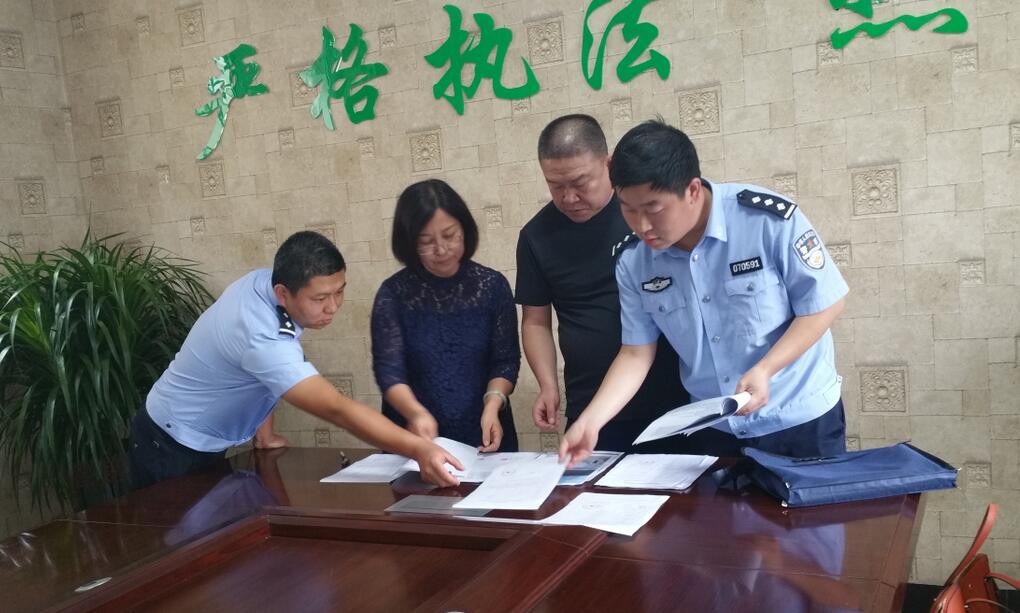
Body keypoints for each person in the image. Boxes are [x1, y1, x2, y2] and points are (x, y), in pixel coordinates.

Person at [560, 119, 849, 464]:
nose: (642, 226)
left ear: (693, 190)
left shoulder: (766, 221)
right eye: (629, 210)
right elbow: (636, 353)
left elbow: (824, 304)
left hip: (800, 419)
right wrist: (591, 421)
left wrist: (766, 368)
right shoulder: (634, 260)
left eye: (653, 208)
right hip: (715, 429)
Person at [129, 231, 463, 489]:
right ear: (283, 293)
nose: (333, 307)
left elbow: (262, 370)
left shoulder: (265, 283)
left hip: (197, 438)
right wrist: (417, 449)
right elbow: (335, 408)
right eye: (320, 298)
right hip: (168, 445)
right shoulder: (259, 333)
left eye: (339, 291)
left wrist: (264, 434)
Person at [515, 114, 689, 452]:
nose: (569, 197)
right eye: (555, 186)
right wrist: (548, 384)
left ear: (608, 164)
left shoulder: (643, 216)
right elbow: (535, 321)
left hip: (671, 396)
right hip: (591, 404)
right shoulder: (536, 236)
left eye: (580, 183)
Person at [371, 179, 520, 451]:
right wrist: (416, 413)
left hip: (484, 434)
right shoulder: (393, 294)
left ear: (465, 229)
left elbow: (505, 361)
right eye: (425, 242)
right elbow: (389, 373)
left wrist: (493, 403)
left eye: (450, 235)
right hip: (417, 440)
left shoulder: (492, 286)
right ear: (409, 243)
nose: (441, 250)